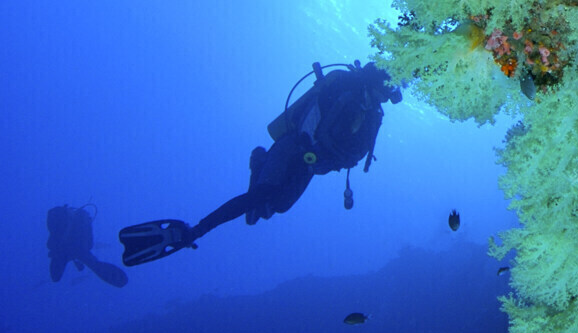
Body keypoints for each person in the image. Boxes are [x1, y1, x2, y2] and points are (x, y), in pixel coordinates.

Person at [119, 60, 400, 267]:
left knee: (277, 207)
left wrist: (326, 162)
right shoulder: (345, 84)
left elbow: (355, 154)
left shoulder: (373, 113)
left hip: (313, 163)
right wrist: (306, 147)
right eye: (389, 86)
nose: (390, 92)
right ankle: (195, 230)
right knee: (260, 196)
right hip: (294, 147)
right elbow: (312, 116)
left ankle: (259, 168)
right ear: (380, 80)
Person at [46, 203, 128, 287]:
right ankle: (119, 280)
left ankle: (120, 280)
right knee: (94, 264)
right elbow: (88, 244)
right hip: (78, 249)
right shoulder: (79, 222)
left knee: (56, 276)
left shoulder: (62, 222)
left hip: (67, 249)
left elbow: (52, 242)